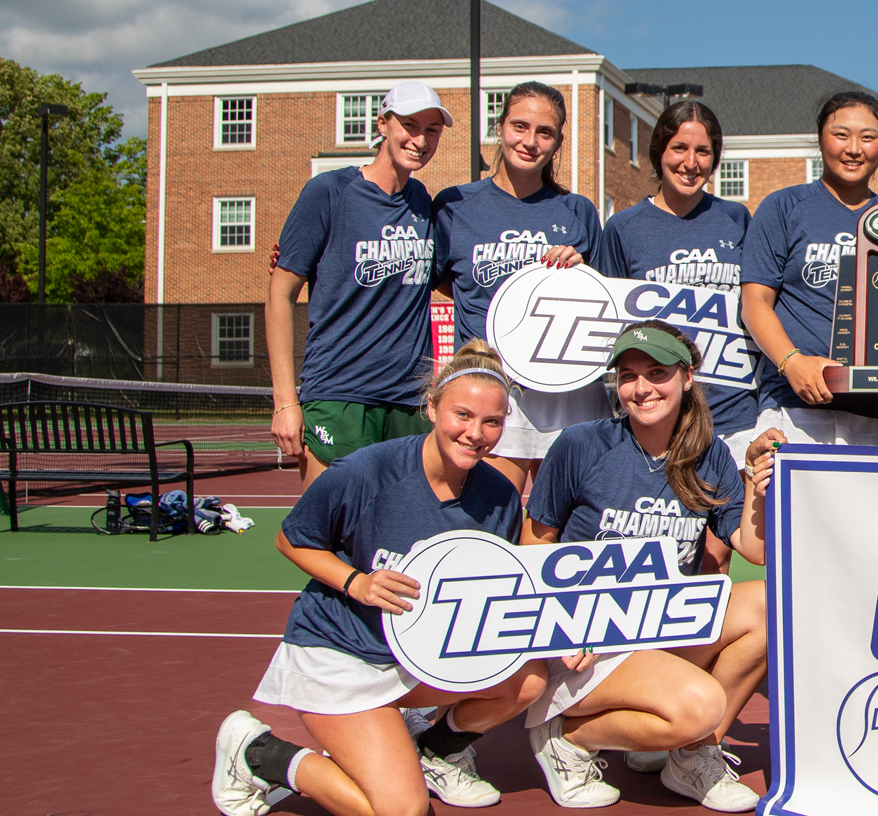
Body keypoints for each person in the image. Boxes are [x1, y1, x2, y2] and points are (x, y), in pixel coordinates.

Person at [213, 342, 545, 816]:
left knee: (529, 678)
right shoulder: (368, 471)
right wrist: (358, 583)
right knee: (399, 814)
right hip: (343, 653)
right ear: (431, 407)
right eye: (462, 415)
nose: (475, 434)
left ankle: (434, 752)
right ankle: (258, 752)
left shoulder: (498, 496)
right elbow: (291, 538)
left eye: (491, 422)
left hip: (415, 655)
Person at [521, 322, 778, 812]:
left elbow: (754, 548)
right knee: (700, 704)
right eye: (628, 375)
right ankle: (568, 737)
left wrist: (755, 481)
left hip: (660, 627)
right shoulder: (581, 445)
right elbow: (534, 545)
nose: (641, 389)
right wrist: (562, 629)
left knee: (769, 605)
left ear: (687, 377)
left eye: (656, 373)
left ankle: (691, 755)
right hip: (587, 642)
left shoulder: (709, 454)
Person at [597, 101, 757, 572]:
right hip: (661, 417)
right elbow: (610, 323)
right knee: (674, 546)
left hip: (730, 407)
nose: (691, 162)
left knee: (718, 553)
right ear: (657, 151)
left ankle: (701, 645)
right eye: (679, 148)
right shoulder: (623, 228)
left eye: (703, 151)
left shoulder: (736, 219)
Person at [268, 81, 448, 488]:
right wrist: (284, 402)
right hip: (339, 395)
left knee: (397, 532)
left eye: (432, 130)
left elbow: (452, 281)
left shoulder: (423, 202)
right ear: (383, 123)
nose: (420, 139)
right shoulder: (327, 192)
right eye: (410, 125)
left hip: (409, 401)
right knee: (327, 533)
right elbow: (279, 295)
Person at [433, 81, 604, 493]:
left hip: (567, 394)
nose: (530, 141)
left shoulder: (577, 211)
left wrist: (579, 270)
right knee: (491, 521)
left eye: (544, 133)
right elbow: (437, 281)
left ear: (559, 141)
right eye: (519, 126)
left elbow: (602, 299)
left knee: (561, 527)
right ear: (500, 127)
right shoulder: (454, 205)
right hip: (491, 390)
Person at [741, 91, 878, 445]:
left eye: (868, 137)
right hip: (795, 405)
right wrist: (792, 362)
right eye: (841, 134)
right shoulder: (783, 206)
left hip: (876, 410)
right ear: (821, 138)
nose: (854, 148)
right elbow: (755, 302)